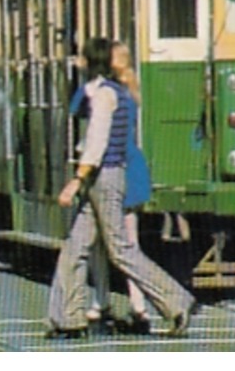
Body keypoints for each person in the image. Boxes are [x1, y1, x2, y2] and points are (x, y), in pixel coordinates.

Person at [46, 38, 193, 340]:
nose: (80, 60)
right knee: (76, 247)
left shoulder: (104, 98)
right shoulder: (114, 92)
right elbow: (84, 98)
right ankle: (68, 318)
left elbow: (97, 142)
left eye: (84, 57)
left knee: (120, 250)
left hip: (104, 177)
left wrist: (76, 180)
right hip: (107, 176)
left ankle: (176, 302)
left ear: (92, 60)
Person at [83, 40, 152, 333]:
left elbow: (77, 108)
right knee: (129, 241)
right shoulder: (131, 91)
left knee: (100, 243)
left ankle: (101, 301)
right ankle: (139, 305)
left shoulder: (101, 93)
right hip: (132, 167)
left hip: (108, 170)